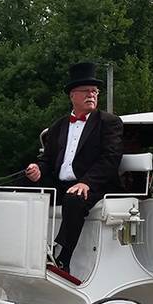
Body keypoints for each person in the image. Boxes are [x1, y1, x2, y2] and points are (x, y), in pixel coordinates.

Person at [24, 62, 123, 269]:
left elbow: (111, 158)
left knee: (75, 198)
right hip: (62, 183)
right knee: (22, 189)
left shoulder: (109, 122)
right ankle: (24, 250)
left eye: (94, 91)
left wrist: (87, 182)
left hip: (97, 186)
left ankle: (63, 258)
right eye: (86, 90)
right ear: (72, 95)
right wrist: (37, 170)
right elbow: (47, 160)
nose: (92, 95)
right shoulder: (58, 126)